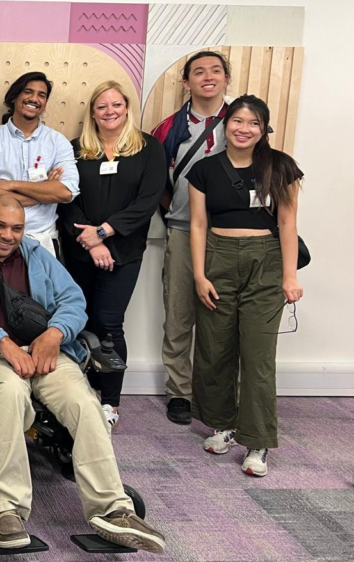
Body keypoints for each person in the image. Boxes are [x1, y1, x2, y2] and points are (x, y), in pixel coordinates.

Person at [0, 196, 166, 553]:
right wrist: (2, 342)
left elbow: (73, 301)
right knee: (10, 394)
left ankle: (112, 509)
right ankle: (6, 507)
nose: (7, 235)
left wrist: (54, 334)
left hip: (44, 353)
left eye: (16, 228)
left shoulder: (37, 254)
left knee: (84, 403)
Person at [188, 95, 303, 477]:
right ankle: (223, 425)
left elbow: (287, 224)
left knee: (257, 356)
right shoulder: (204, 170)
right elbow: (198, 225)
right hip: (217, 258)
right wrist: (200, 274)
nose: (243, 129)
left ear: (263, 128)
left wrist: (290, 275)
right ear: (226, 124)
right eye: (237, 120)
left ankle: (258, 441)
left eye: (253, 123)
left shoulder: (280, 167)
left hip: (265, 261)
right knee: (214, 348)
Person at [58, 81, 166, 430]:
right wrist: (91, 240)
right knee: (78, 321)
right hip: (79, 249)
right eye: (102, 106)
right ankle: (81, 395)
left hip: (124, 251)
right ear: (92, 112)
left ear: (127, 108)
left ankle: (109, 401)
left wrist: (104, 233)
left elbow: (147, 202)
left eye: (116, 105)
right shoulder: (76, 150)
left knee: (108, 323)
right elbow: (66, 200)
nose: (109, 111)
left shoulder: (149, 149)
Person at [151, 51, 231, 425]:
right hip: (183, 230)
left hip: (230, 235)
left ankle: (215, 392)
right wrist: (174, 212)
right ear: (187, 83)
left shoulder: (242, 121)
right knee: (179, 314)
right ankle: (180, 392)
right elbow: (155, 183)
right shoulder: (169, 129)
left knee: (223, 316)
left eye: (216, 70)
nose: (208, 77)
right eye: (199, 72)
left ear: (226, 79)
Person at [0, 71, 79, 258]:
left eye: (42, 95)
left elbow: (65, 192)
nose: (34, 98)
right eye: (28, 92)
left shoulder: (58, 142)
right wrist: (44, 192)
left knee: (43, 288)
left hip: (43, 242)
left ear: (45, 103)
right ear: (15, 97)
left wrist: (11, 184)